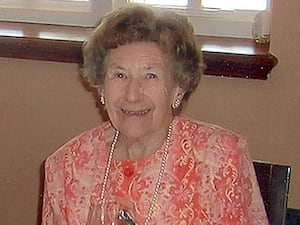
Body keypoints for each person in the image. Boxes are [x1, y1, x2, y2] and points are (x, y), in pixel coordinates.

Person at [41, 3, 269, 225]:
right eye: (119, 75)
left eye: (151, 76)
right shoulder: (65, 168)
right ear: (101, 87)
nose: (132, 95)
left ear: (178, 88)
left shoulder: (221, 162)